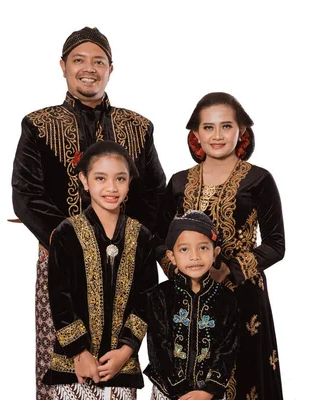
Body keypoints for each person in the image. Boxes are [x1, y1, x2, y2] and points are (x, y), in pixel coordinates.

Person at [10, 27, 166, 399]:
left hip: (127, 259)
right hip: (61, 261)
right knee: (63, 366)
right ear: (63, 67)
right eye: (78, 60)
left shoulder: (138, 126)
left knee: (120, 356)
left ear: (111, 69)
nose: (89, 69)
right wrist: (67, 243)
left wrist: (138, 246)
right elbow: (26, 195)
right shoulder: (39, 124)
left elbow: (155, 196)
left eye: (98, 61)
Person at [155, 92, 286, 400]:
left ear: (241, 131)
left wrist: (229, 270)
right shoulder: (177, 182)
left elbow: (276, 245)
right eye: (208, 127)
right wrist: (181, 275)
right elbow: (158, 241)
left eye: (226, 126)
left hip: (243, 298)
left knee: (244, 382)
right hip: (187, 298)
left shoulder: (259, 179)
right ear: (195, 134)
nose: (217, 135)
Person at [42, 141, 158, 399]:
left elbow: (147, 298)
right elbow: (60, 298)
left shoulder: (142, 236)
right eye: (100, 178)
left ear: (129, 183)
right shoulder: (66, 233)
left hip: (120, 365)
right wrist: (79, 353)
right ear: (84, 180)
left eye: (120, 178)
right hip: (74, 366)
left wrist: (126, 351)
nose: (111, 187)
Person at [144, 210, 239, 400]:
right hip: (168, 393)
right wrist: (180, 391)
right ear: (171, 256)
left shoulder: (226, 299)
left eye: (203, 248)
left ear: (215, 253)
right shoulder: (161, 296)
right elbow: (158, 348)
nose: (194, 257)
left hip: (208, 395)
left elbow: (227, 349)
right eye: (184, 249)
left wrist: (207, 391)